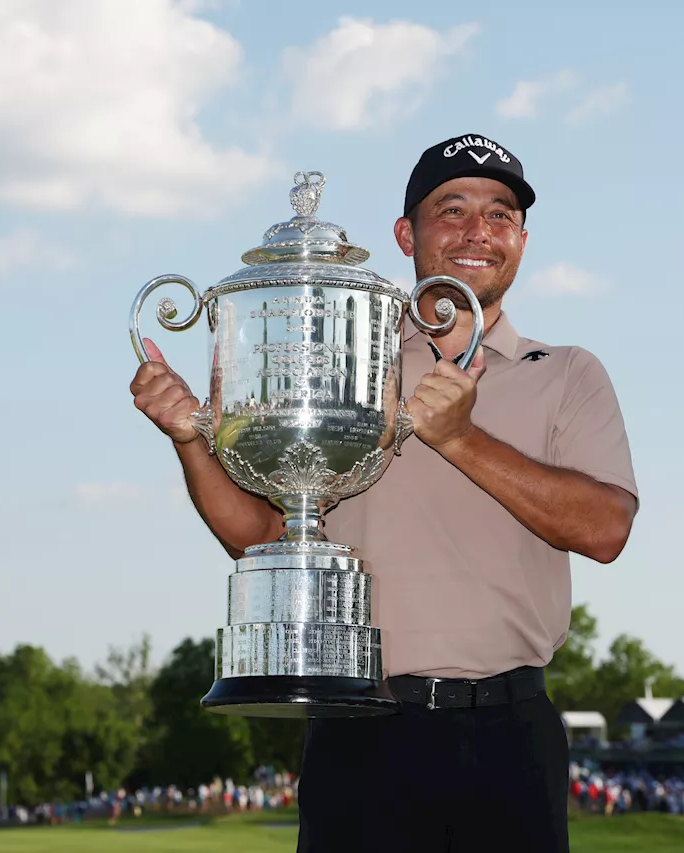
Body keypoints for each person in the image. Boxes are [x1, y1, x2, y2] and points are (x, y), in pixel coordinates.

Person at [128, 132, 639, 852]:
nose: (477, 232)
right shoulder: (346, 364)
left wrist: (459, 436)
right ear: (407, 233)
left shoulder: (566, 372)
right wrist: (189, 434)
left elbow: (605, 529)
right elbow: (262, 539)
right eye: (451, 209)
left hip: (510, 731)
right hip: (362, 726)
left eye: (499, 215)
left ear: (522, 239)